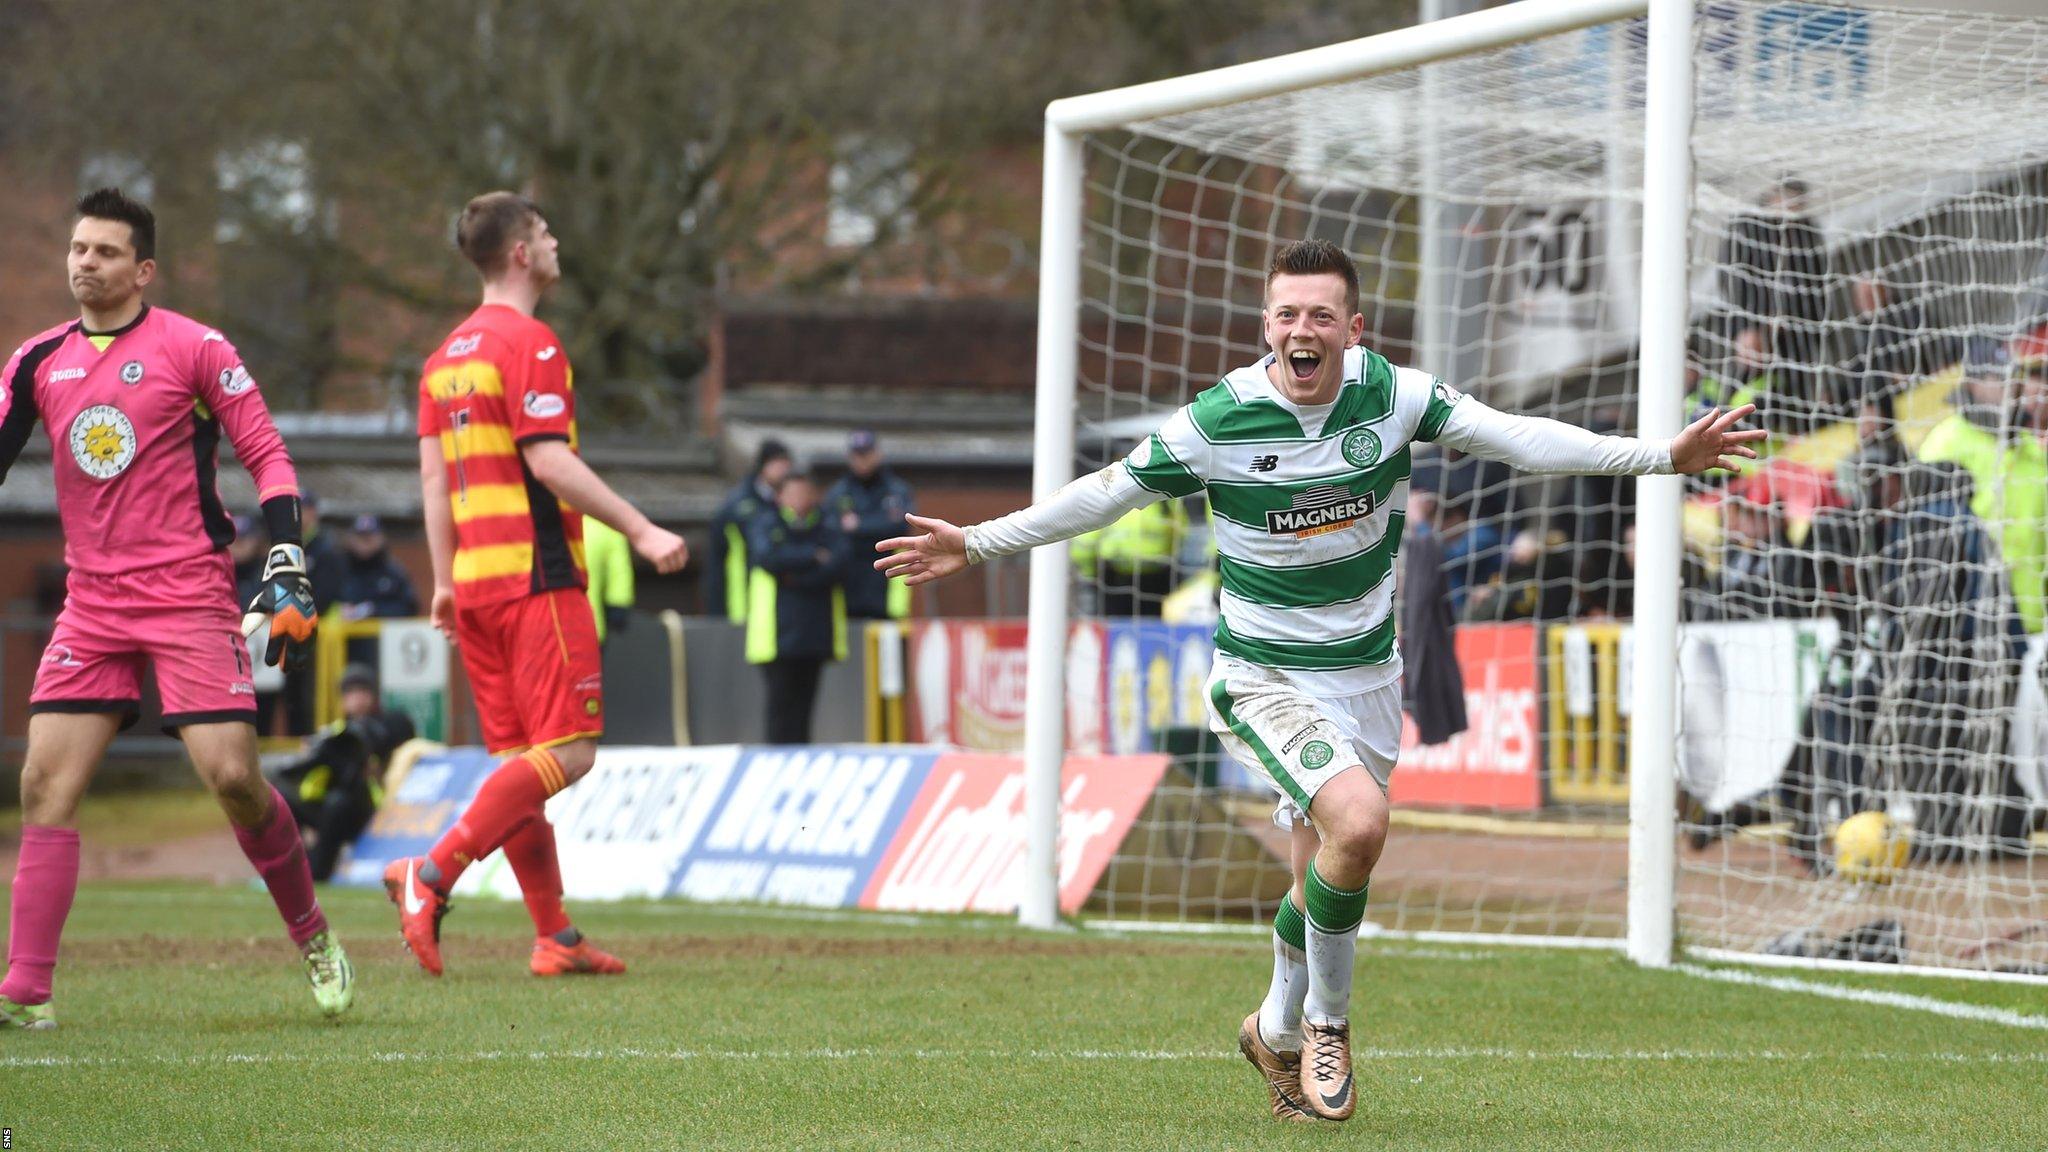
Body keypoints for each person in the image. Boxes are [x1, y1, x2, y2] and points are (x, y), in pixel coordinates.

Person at [875, 239, 1760, 1122]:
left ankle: (1272, 1027)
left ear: (1352, 328)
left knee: (1326, 869)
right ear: (1268, 327)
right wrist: (980, 540)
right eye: (1288, 314)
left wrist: (1658, 457)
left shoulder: (1395, 396)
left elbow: (1520, 439)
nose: (1304, 330)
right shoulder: (1219, 422)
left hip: (1368, 677)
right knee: (1362, 824)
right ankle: (1328, 1026)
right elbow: (1107, 492)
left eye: (1322, 316)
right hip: (1263, 676)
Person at [0, 188, 353, 1027]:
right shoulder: (36, 360)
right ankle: (26, 992)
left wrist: (287, 553)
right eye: (79, 249)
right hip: (93, 604)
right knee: (44, 784)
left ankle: (314, 936)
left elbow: (267, 453)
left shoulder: (195, 347)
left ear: (143, 268)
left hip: (191, 594)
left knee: (234, 778)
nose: (85, 263)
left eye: (106, 252)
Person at [386, 191, 689, 979]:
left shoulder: (444, 357)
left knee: (522, 765)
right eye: (547, 232)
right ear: (521, 252)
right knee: (573, 752)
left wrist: (445, 581)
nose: (557, 243)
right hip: (535, 577)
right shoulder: (531, 344)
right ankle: (434, 872)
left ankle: (554, 935)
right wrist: (641, 528)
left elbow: (431, 478)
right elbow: (548, 460)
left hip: (477, 585)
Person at [1917, 338, 2048, 632]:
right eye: (1996, 378)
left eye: (2012, 377)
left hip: (2034, 628)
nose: (2008, 388)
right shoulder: (1944, 443)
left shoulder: (2034, 451)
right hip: (1967, 630)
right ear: (1973, 383)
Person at [267, 664, 416, 881]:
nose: (356, 698)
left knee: (338, 804)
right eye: (350, 692)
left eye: (362, 691)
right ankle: (291, 864)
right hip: (334, 802)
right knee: (281, 797)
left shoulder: (392, 722)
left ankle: (316, 872)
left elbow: (392, 735)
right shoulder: (336, 734)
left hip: (369, 808)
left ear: (374, 695)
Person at [746, 464, 849, 744]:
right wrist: (813, 556)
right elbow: (768, 558)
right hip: (776, 635)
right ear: (780, 496)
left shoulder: (827, 523)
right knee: (780, 708)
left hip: (815, 633)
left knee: (805, 708)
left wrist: (793, 575)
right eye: (792, 492)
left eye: (804, 492)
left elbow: (839, 563)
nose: (799, 499)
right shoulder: (765, 522)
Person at [825, 429, 915, 620]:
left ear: (878, 454)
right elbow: (831, 528)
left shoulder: (896, 490)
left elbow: (899, 525)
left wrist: (858, 526)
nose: (862, 460)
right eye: (857, 455)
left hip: (887, 584)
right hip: (848, 585)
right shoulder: (838, 493)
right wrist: (875, 525)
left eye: (866, 454)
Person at [705, 439, 791, 623]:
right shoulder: (739, 505)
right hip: (741, 599)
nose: (784, 471)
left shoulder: (786, 502)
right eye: (778, 464)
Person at [334, 513, 420, 667]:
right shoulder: (339, 570)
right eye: (361, 537)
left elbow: (409, 607)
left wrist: (373, 611)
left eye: (370, 537)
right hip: (340, 653)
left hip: (385, 653)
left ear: (381, 537)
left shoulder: (393, 572)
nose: (365, 543)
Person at [582, 515, 634, 645]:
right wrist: (619, 605)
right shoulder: (607, 525)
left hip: (544, 627)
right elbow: (619, 571)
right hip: (590, 627)